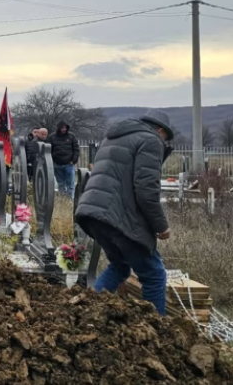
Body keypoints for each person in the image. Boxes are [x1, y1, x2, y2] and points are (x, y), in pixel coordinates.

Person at [75, 110, 175, 315]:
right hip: (116, 216)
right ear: (160, 130)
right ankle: (159, 332)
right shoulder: (151, 140)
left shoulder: (113, 137)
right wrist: (161, 226)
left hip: (92, 213)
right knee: (154, 274)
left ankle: (84, 312)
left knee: (120, 267)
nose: (164, 143)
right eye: (165, 138)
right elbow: (146, 190)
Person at [49, 121, 81, 197]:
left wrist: (73, 160)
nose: (64, 129)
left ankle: (70, 201)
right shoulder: (52, 137)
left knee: (70, 185)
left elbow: (76, 149)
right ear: (59, 128)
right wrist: (52, 161)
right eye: (62, 128)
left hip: (69, 164)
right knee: (61, 184)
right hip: (57, 164)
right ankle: (63, 201)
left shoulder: (71, 136)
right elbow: (49, 150)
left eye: (65, 128)